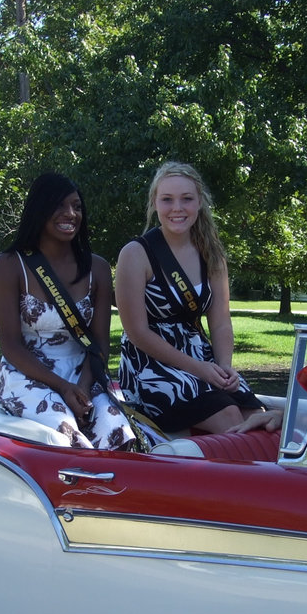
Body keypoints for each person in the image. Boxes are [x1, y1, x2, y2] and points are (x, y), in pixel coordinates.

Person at [115, 162, 264, 434]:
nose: (177, 208)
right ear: (155, 204)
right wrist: (200, 370)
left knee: (257, 417)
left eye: (187, 199)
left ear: (200, 203)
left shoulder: (212, 254)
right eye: (167, 199)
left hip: (203, 358)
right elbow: (137, 332)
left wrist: (224, 367)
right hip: (151, 365)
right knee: (231, 419)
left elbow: (220, 322)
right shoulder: (136, 254)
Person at [0, 173, 135, 450]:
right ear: (39, 210)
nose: (70, 214)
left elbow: (100, 344)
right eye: (59, 206)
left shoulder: (99, 269)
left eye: (77, 207)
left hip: (84, 375)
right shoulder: (10, 264)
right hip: (27, 374)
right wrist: (63, 388)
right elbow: (9, 344)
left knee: (118, 432)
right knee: (67, 432)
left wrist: (81, 387)